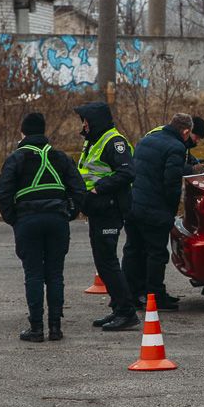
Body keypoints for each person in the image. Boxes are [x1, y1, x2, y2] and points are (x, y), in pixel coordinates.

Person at [0, 113, 87, 342]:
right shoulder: (60, 157)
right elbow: (78, 189)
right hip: (57, 219)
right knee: (55, 274)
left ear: (23, 133)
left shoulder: (16, 158)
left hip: (28, 220)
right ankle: (55, 327)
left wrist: (13, 219)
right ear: (43, 133)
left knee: (33, 274)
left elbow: (3, 191)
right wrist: (70, 212)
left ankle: (36, 328)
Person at [75, 101, 139, 332]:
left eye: (86, 120)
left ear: (95, 121)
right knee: (103, 262)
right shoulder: (93, 141)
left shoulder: (114, 141)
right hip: (98, 210)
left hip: (110, 209)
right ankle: (118, 308)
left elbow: (127, 172)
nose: (83, 125)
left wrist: (98, 188)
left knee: (108, 261)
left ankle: (127, 312)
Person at [123, 113, 192, 310]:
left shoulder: (147, 140)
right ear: (185, 131)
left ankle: (131, 293)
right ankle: (155, 295)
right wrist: (170, 211)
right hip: (154, 209)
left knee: (133, 250)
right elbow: (171, 183)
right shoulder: (176, 147)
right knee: (156, 253)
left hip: (134, 204)